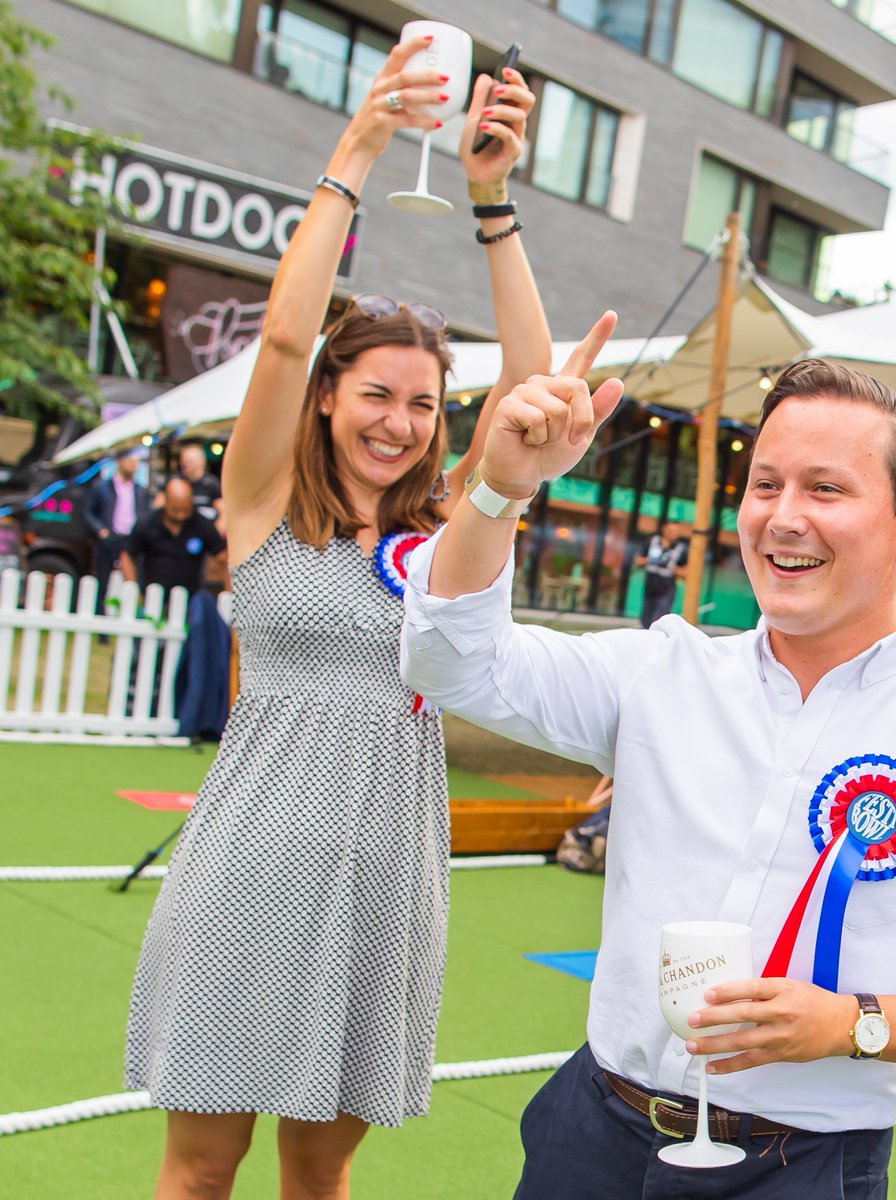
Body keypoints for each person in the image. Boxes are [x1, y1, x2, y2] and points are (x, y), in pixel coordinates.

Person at [401, 351, 896, 1199]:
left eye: (826, 489)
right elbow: (451, 661)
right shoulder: (665, 671)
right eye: (765, 485)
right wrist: (500, 492)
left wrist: (852, 1023)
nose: (784, 517)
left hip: (800, 1167)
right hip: (591, 1131)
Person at [123, 36, 550, 1200]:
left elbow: (533, 395)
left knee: (319, 1178)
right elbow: (279, 334)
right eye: (374, 394)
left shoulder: (451, 526)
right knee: (201, 1170)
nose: (397, 423)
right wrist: (358, 146)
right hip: (250, 864)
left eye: (421, 404)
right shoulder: (262, 501)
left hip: (386, 879)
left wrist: (492, 201)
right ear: (325, 396)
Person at [119, 478, 227, 598]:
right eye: (175, 510)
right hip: (152, 596)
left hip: (191, 597)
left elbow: (224, 557)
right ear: (166, 501)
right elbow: (127, 555)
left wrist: (229, 593)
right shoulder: (147, 523)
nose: (181, 515)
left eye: (186, 509)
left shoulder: (202, 525)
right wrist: (133, 590)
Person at [84, 445, 152, 605]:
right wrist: (101, 531)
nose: (134, 465)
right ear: (120, 461)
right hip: (109, 537)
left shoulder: (141, 490)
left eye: (136, 461)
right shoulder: (102, 487)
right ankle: (100, 613)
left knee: (134, 582)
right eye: (130, 460)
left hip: (131, 539)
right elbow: (87, 511)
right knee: (102, 583)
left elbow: (146, 514)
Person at [634, 521, 687, 627]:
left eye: (676, 531)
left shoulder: (681, 549)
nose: (673, 533)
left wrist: (671, 566)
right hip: (650, 586)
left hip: (666, 588)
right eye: (671, 530)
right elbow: (638, 562)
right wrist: (652, 559)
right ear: (664, 529)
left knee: (658, 619)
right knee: (645, 620)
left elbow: (686, 573)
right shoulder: (652, 542)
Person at [175, 442, 223, 526]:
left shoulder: (211, 483)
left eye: (190, 460)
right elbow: (159, 507)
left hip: (206, 530)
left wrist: (215, 532)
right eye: (183, 459)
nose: (185, 463)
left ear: (201, 462)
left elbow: (223, 513)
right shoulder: (175, 482)